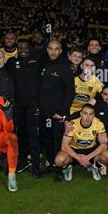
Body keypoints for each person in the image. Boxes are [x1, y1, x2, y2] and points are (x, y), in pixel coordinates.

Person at [39, 40, 75, 177]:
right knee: (47, 139)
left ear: (60, 51)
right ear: (47, 49)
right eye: (50, 49)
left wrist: (61, 112)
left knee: (59, 140)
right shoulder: (44, 64)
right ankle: (51, 163)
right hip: (45, 112)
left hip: (59, 114)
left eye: (56, 49)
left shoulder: (65, 67)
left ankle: (61, 167)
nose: (53, 52)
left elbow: (70, 92)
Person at [6, 39, 41, 177]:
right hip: (19, 106)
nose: (22, 50)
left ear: (29, 47)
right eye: (19, 47)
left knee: (34, 136)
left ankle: (36, 165)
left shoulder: (36, 61)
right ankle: (22, 161)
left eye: (25, 47)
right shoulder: (11, 63)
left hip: (33, 106)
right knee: (20, 136)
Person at [55, 104, 108, 182]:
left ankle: (95, 165)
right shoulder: (72, 124)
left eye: (90, 114)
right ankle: (67, 167)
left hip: (91, 151)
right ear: (81, 114)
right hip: (74, 151)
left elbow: (104, 145)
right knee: (59, 160)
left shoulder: (98, 123)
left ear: (94, 115)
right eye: (85, 113)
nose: (88, 117)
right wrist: (79, 158)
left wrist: (88, 157)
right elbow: (64, 146)